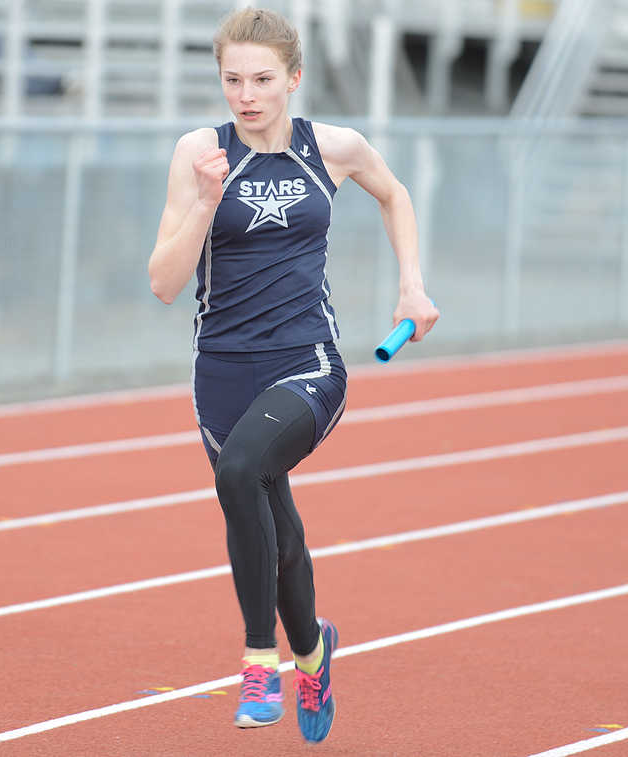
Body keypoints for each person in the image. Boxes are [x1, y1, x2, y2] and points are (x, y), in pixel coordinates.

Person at [147, 6, 438, 743]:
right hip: (221, 369)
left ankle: (258, 661)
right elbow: (163, 282)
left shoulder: (331, 147)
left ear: (294, 79)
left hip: (307, 360)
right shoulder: (198, 154)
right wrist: (207, 203)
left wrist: (412, 284)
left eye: (263, 80)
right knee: (272, 523)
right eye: (232, 80)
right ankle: (313, 651)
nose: (246, 95)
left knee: (242, 472)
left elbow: (395, 193)